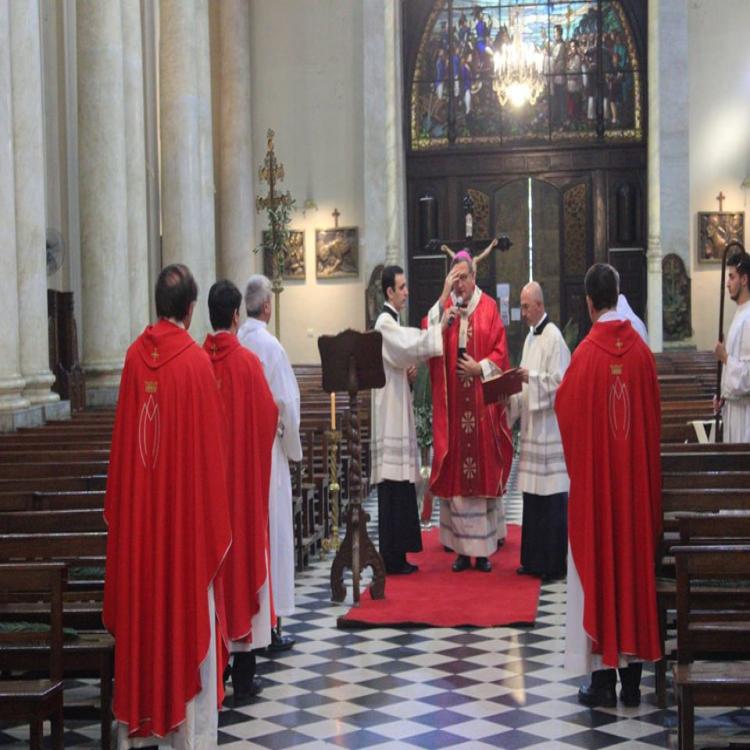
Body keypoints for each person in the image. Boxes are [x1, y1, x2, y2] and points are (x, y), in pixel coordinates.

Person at [104, 264, 232, 747]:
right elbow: (210, 463)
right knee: (187, 618)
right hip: (183, 536)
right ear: (190, 308)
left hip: (141, 533)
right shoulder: (197, 364)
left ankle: (138, 730)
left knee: (143, 617)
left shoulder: (135, 361)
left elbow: (124, 457)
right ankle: (188, 737)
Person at [556, 263, 662, 708]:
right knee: (633, 570)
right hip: (633, 492)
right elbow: (653, 425)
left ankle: (601, 685)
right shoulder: (641, 355)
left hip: (600, 495)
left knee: (599, 565)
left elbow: (566, 415)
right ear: (617, 296)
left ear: (588, 301)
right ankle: (634, 684)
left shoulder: (584, 357)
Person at [204, 280, 278, 704]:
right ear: (236, 316)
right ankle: (245, 679)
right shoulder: (248, 366)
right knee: (244, 565)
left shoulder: (195, 363)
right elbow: (268, 417)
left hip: (208, 499)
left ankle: (218, 668)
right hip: (241, 494)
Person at [426, 251, 513, 573]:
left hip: (481, 407)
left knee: (483, 476)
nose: (459, 283)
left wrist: (481, 367)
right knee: (459, 479)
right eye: (454, 278)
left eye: (463, 277)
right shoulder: (447, 311)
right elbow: (427, 336)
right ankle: (463, 551)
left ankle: (485, 550)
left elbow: (501, 353)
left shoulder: (489, 308)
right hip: (455, 410)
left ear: (474, 277)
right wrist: (443, 301)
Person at [238, 274, 302, 651]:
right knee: (274, 536)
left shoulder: (235, 341)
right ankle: (272, 624)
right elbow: (287, 405)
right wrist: (291, 448)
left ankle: (249, 622)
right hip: (267, 455)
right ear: (267, 307)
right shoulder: (270, 346)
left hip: (237, 458)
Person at [371, 265, 448, 575]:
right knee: (393, 486)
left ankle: (398, 555)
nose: (406, 292)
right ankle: (391, 557)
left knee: (401, 484)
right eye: (401, 287)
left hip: (397, 407)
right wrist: (441, 309)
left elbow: (401, 356)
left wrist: (409, 373)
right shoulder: (384, 323)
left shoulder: (393, 321)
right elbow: (407, 345)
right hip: (389, 414)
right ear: (389, 291)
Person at [508, 281, 570, 582]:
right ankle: (533, 561)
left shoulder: (555, 338)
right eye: (520, 306)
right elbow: (522, 382)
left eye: (525, 306)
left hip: (550, 431)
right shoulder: (531, 340)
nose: (522, 312)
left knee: (550, 501)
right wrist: (510, 400)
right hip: (533, 431)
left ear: (540, 306)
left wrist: (529, 377)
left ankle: (552, 564)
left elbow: (560, 385)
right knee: (533, 498)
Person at [714, 249, 750, 441]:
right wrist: (723, 395)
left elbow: (748, 375)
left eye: (732, 277)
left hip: (745, 417)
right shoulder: (740, 313)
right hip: (734, 410)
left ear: (744, 280)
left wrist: (725, 357)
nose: (727, 283)